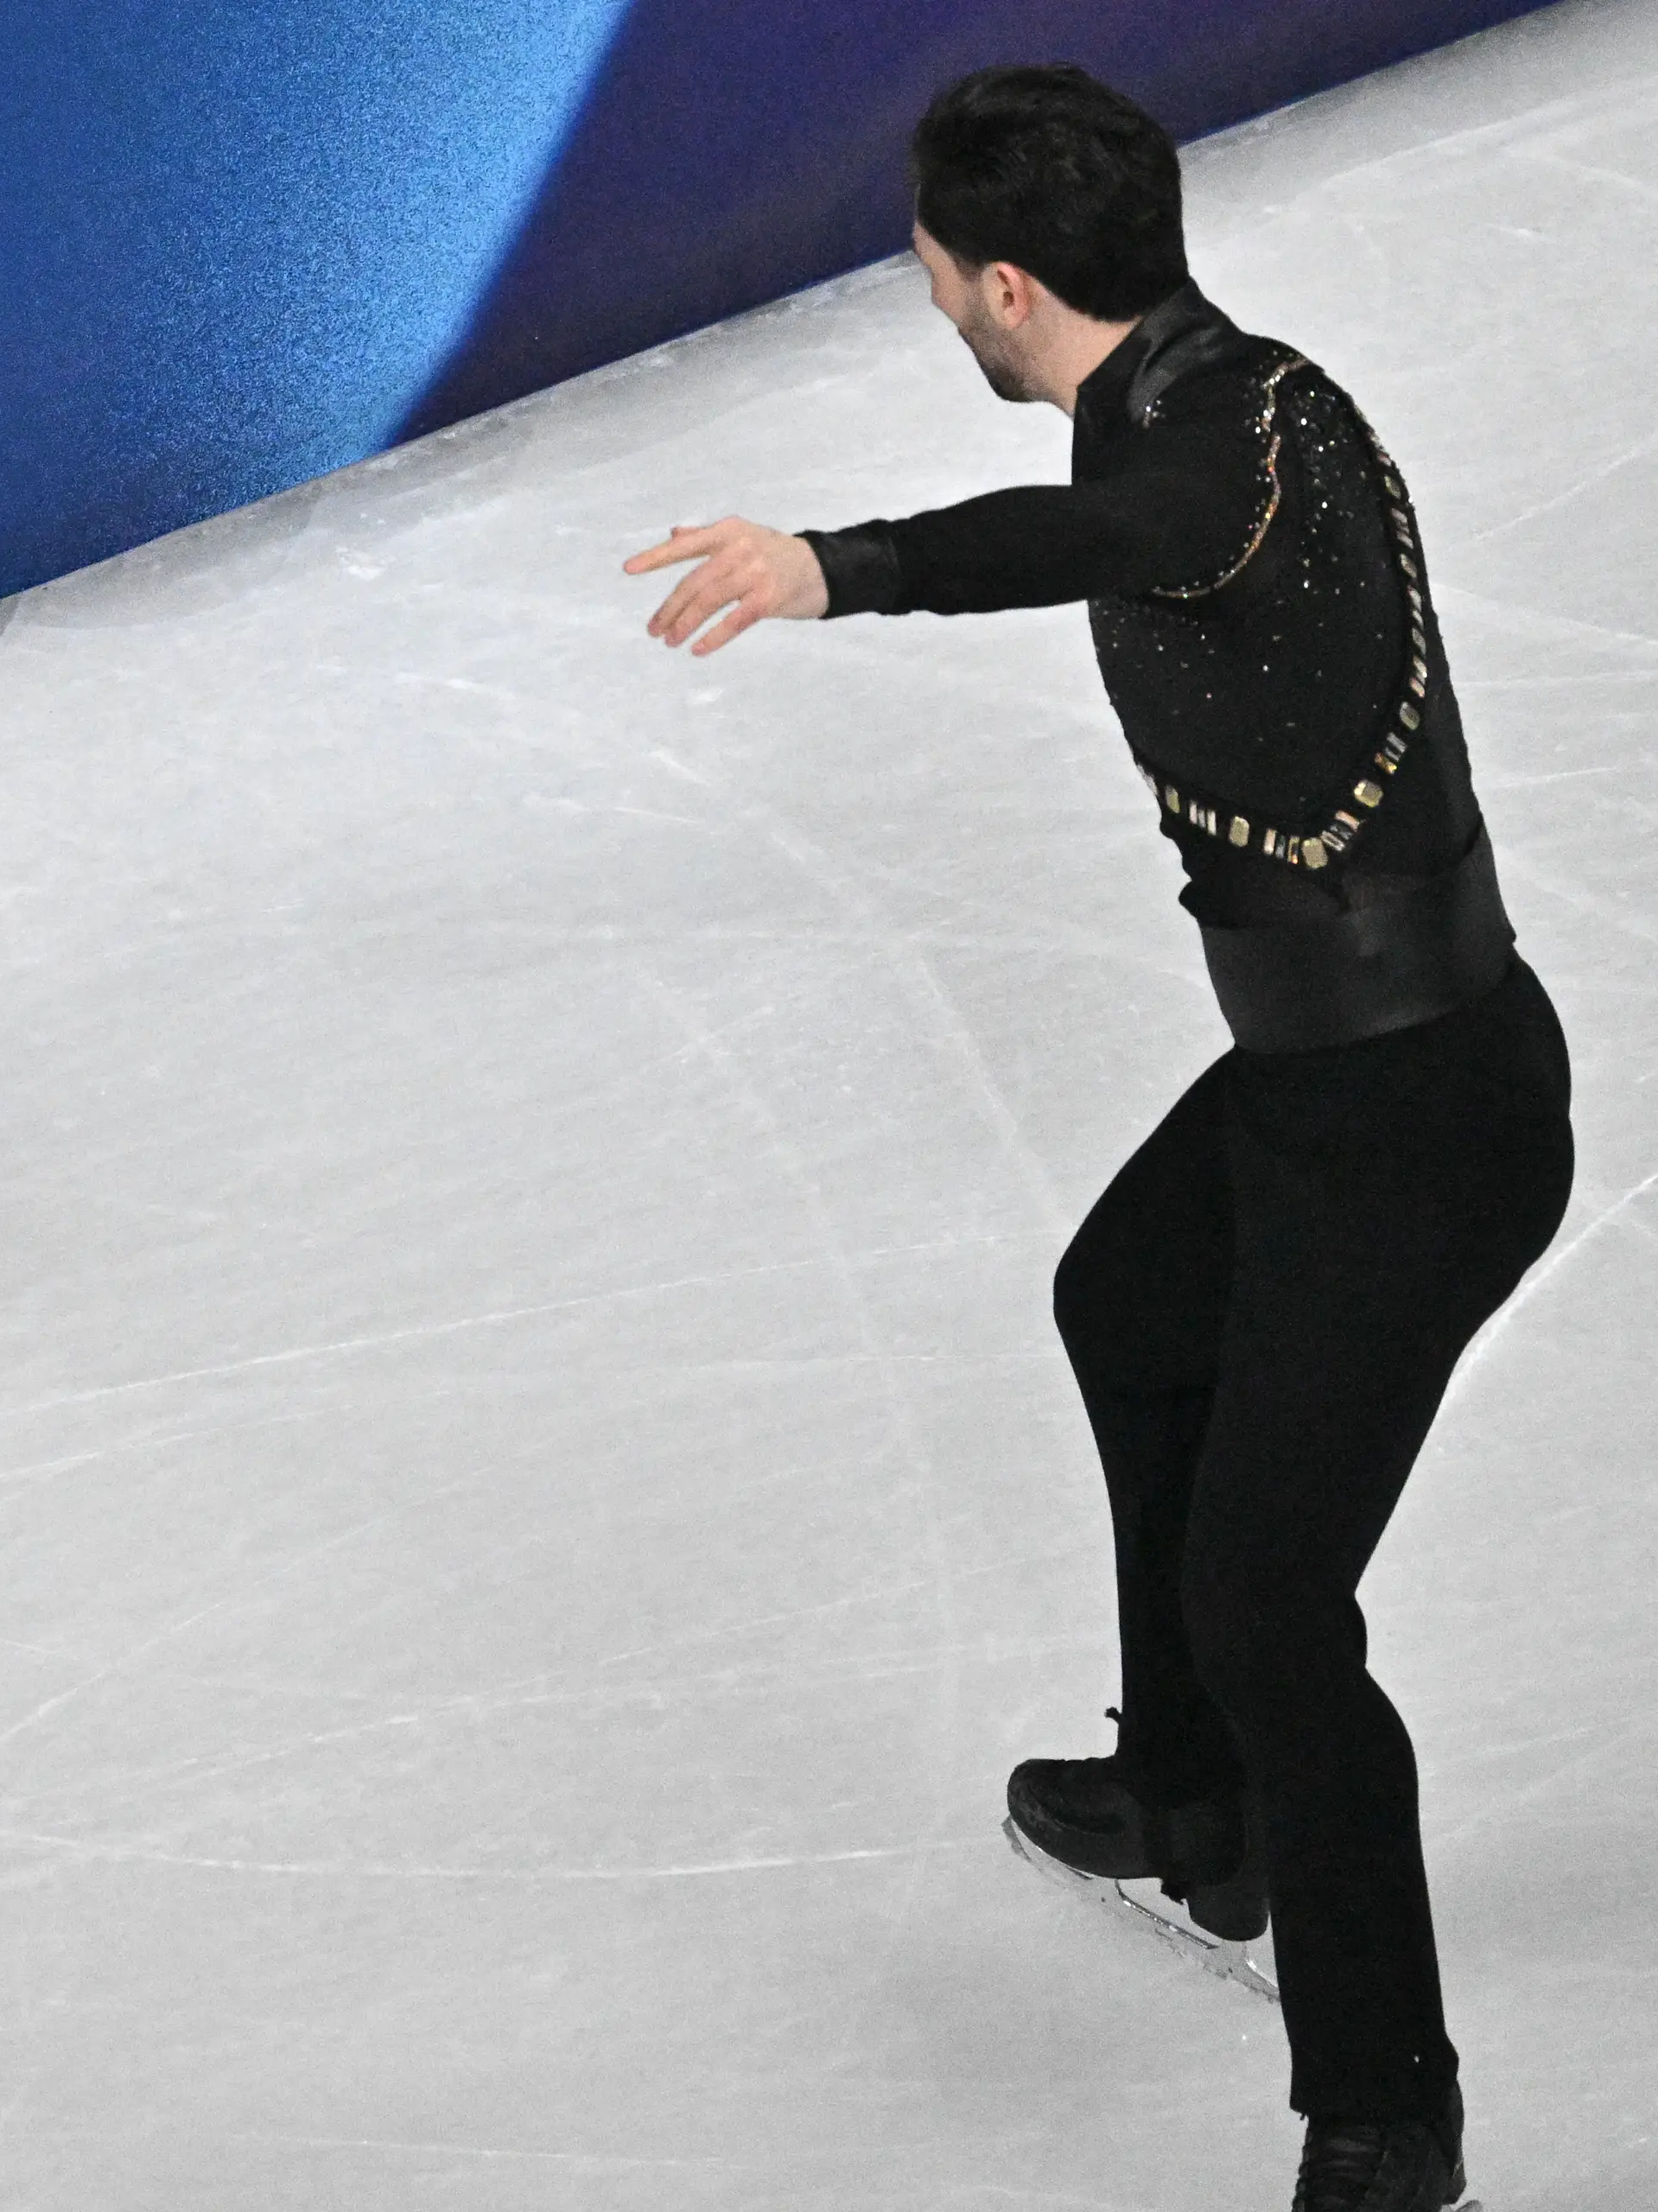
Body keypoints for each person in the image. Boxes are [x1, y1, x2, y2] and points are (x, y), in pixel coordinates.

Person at [620, 65, 1566, 2212]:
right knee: (1130, 1303)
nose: (930, 291)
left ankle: (1386, 2120)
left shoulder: (1206, 459)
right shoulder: (1223, 381)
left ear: (1009, 286)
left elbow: (1102, 540)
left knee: (1271, 1593)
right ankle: (1194, 1804)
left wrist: (835, 566)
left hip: (1420, 1113)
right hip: (1343, 1072)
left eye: (939, 270)